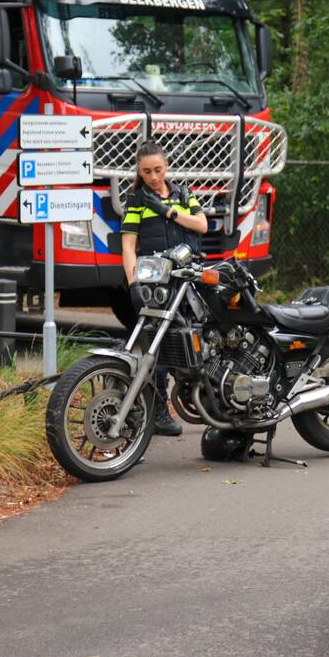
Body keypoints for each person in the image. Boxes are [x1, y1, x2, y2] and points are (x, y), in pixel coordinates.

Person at [120, 141, 209, 436]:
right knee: (154, 346)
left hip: (187, 280)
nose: (153, 177)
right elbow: (128, 245)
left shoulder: (183, 194)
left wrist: (168, 212)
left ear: (166, 166)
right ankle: (157, 411)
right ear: (139, 171)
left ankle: (206, 399)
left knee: (200, 335)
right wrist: (133, 283)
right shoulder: (136, 200)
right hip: (156, 282)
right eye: (146, 171)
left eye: (158, 169)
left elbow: (202, 225)